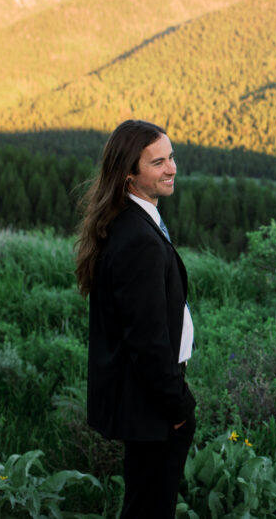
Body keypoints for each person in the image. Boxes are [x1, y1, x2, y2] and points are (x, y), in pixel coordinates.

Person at [76, 119, 196, 518]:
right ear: (130, 173)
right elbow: (145, 340)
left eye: (172, 157)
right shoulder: (139, 239)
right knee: (149, 509)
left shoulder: (132, 220)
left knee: (145, 504)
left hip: (150, 400)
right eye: (158, 162)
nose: (171, 168)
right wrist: (177, 407)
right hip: (152, 407)